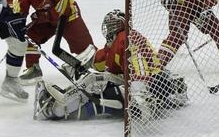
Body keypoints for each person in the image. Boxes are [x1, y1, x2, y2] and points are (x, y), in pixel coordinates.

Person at [34, 10, 187, 121]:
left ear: (116, 27)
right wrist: (76, 64)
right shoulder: (117, 41)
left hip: (148, 86)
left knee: (97, 89)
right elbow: (101, 61)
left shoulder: (127, 38)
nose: (107, 30)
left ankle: (59, 109)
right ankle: (64, 102)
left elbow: (138, 64)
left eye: (110, 25)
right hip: (140, 83)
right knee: (96, 84)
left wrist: (139, 93)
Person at [14, 0, 95, 85]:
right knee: (29, 36)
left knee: (86, 49)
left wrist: (42, 15)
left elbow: (63, 9)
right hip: (47, 20)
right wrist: (18, 25)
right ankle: (33, 69)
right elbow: (20, 12)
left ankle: (102, 66)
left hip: (69, 17)